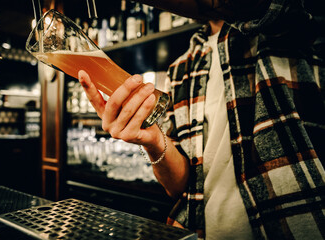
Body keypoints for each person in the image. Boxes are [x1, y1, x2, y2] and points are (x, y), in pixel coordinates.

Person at [78, 0, 325, 239]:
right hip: (198, 231)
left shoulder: (291, 21)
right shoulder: (181, 66)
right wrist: (152, 139)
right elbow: (178, 186)